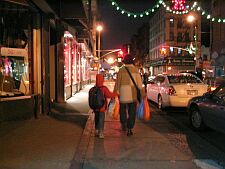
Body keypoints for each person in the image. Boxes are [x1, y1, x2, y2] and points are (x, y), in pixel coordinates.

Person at [114, 54, 145, 136]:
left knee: (122, 111)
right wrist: (143, 94)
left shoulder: (121, 70)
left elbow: (117, 83)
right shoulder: (135, 70)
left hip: (123, 95)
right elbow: (139, 85)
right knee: (132, 112)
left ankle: (123, 123)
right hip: (132, 95)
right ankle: (130, 128)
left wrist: (115, 93)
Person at [94, 74, 118, 139]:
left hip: (95, 107)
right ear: (102, 80)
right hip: (102, 107)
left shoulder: (93, 88)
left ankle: (96, 130)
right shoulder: (103, 88)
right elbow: (109, 95)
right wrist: (116, 94)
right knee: (101, 119)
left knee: (96, 118)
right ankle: (101, 132)